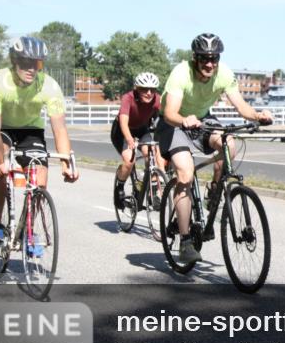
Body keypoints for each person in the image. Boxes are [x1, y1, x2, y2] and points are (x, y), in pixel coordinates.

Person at [156, 33, 272, 264]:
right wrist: (184, 120)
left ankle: (214, 194)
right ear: (195, 58)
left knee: (229, 144)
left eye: (214, 59)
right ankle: (186, 241)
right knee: (186, 174)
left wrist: (258, 115)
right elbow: (169, 113)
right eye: (204, 59)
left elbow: (241, 106)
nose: (209, 64)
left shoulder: (224, 74)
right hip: (174, 125)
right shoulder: (181, 73)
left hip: (202, 120)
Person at [0, 36, 79, 245]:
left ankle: (27, 230)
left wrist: (66, 165)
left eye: (37, 64)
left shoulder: (49, 86)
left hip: (29, 129)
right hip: (1, 126)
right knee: (0, 166)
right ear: (14, 61)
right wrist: (1, 162)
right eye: (26, 63)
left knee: (39, 181)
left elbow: (59, 128)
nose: (32, 69)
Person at [111, 71, 165, 208]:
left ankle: (151, 190)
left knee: (151, 152)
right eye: (144, 89)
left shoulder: (157, 99)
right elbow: (123, 122)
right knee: (130, 161)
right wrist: (130, 140)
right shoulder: (127, 98)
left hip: (142, 129)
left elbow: (165, 118)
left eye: (152, 89)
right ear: (136, 88)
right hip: (123, 131)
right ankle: (120, 187)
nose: (148, 93)